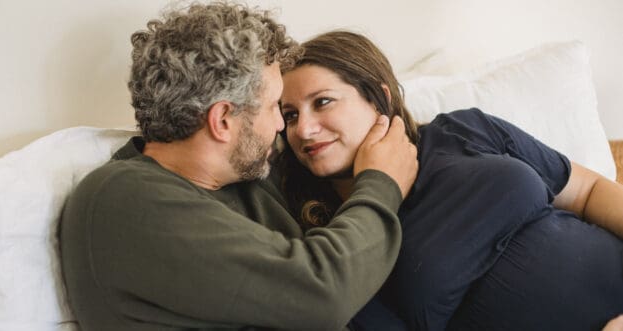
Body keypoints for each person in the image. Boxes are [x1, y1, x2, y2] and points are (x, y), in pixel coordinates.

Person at [59, 3, 419, 330]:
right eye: (274, 108)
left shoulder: (243, 176)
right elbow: (323, 293)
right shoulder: (124, 198)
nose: (282, 125)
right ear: (223, 121)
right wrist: (382, 183)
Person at [278, 30, 623, 331]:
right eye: (289, 115)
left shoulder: (463, 130)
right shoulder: (337, 240)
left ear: (379, 98)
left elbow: (586, 190)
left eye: (322, 102)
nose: (303, 129)